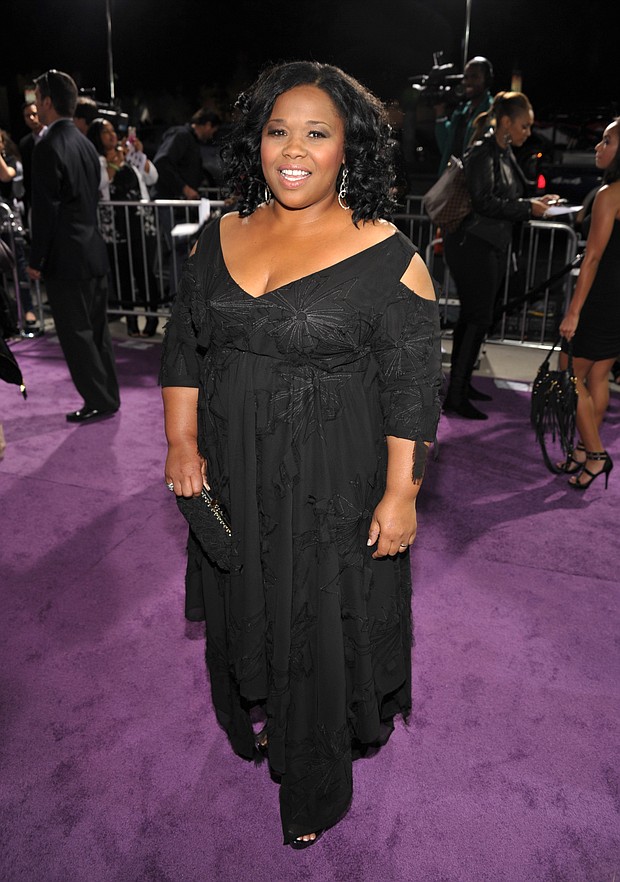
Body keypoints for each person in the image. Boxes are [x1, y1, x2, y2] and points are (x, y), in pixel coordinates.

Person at [160, 61, 442, 848]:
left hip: (331, 484)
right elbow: (184, 346)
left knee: (313, 622)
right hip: (231, 470)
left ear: (348, 148)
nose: (295, 148)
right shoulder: (217, 236)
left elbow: (413, 393)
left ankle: (314, 789)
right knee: (245, 596)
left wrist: (402, 493)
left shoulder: (390, 255)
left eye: (318, 132)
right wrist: (182, 442)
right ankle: (251, 708)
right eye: (280, 129)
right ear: (257, 140)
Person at [442, 91, 553, 419]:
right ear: (506, 122)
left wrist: (542, 200)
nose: (528, 132)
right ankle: (456, 394)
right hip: (472, 245)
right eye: (524, 125)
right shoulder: (484, 152)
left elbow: (511, 193)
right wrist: (527, 208)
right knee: (478, 318)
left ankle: (461, 385)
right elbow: (484, 201)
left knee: (474, 318)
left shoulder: (503, 153)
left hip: (488, 244)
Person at [27, 69, 120, 423]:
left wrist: (37, 258)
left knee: (76, 334)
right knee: (97, 332)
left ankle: (97, 399)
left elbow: (46, 210)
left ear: (48, 102)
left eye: (37, 99)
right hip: (93, 251)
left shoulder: (47, 146)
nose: (36, 105)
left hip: (66, 258)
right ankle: (108, 396)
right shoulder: (85, 143)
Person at [557, 118, 620, 489]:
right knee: (597, 375)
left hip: (602, 296)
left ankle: (595, 455)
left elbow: (593, 258)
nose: (599, 146)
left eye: (607, 141)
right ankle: (583, 451)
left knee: (569, 372)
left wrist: (574, 311)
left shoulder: (610, 194)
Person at [87, 118, 160, 337]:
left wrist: (140, 154)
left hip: (140, 223)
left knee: (146, 273)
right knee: (124, 274)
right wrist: (112, 163)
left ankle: (152, 319)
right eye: (105, 132)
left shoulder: (128, 154)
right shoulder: (98, 160)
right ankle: (130, 321)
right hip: (116, 228)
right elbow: (100, 184)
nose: (111, 135)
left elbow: (152, 177)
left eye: (112, 131)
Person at [434, 56, 494, 174]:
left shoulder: (491, 110)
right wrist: (440, 115)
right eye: (466, 77)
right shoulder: (462, 111)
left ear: (486, 80)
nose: (468, 82)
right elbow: (446, 149)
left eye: (474, 77)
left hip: (475, 183)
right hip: (454, 181)